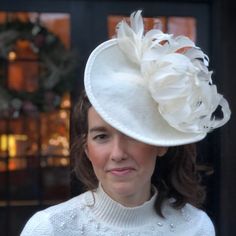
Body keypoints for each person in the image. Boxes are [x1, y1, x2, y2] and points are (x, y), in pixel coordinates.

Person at [21, 10, 231, 236]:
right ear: (87, 150)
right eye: (101, 136)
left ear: (160, 144)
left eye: (131, 134)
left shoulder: (196, 227)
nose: (118, 153)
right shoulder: (49, 228)